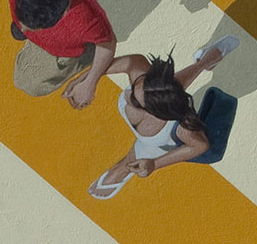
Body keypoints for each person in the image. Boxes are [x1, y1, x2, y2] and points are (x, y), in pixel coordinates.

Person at [89, 37, 238, 199]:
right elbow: (132, 62)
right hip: (162, 101)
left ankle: (122, 168)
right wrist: (88, 79)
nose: (128, 95)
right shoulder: (143, 78)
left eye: (136, 100)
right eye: (136, 88)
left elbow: (200, 146)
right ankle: (205, 61)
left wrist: (154, 164)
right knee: (173, 83)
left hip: (158, 138)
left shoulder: (181, 128)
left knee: (138, 156)